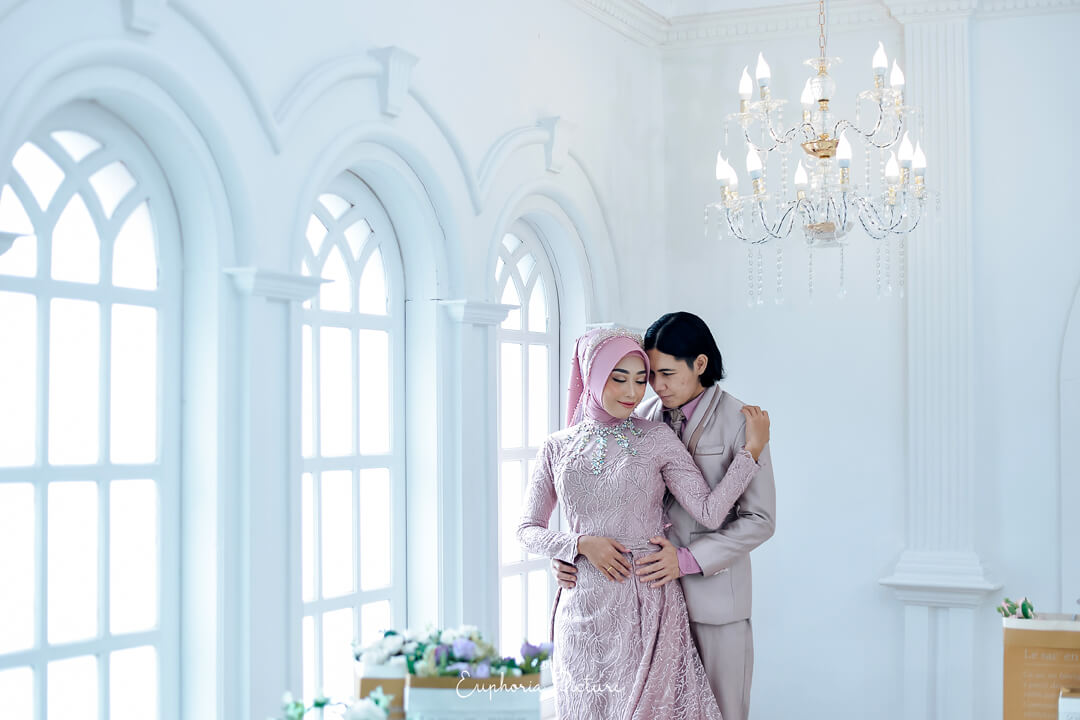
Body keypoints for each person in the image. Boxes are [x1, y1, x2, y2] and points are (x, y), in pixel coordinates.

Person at [517, 327, 769, 719]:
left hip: (645, 604)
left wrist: (750, 452)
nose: (634, 392)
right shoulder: (556, 446)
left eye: (640, 379)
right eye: (619, 379)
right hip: (581, 610)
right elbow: (527, 529)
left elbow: (709, 511)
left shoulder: (657, 436)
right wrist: (577, 546)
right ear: (592, 376)